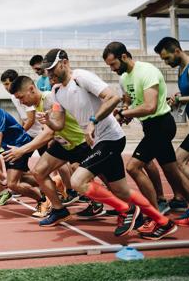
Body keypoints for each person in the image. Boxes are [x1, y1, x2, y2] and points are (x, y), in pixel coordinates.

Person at [42, 48, 176, 240]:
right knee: (121, 190)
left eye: (52, 68)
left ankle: (126, 210)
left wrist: (93, 121)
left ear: (64, 62)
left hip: (110, 137)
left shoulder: (81, 77)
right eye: (47, 70)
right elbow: (59, 123)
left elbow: (113, 97)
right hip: (97, 141)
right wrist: (48, 122)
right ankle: (163, 222)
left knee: (77, 181)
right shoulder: (56, 91)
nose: (50, 73)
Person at [104, 41, 189, 230]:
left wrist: (123, 114)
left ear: (124, 57)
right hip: (150, 126)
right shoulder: (125, 78)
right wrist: (124, 113)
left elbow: (150, 106)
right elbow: (130, 103)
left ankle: (155, 215)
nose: (112, 69)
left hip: (161, 124)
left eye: (113, 64)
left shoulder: (146, 71)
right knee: (172, 170)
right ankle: (174, 203)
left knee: (133, 167)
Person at [8, 76, 103, 225]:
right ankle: (59, 211)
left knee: (103, 178)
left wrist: (22, 150)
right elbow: (50, 130)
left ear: (31, 89)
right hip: (63, 143)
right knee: (39, 171)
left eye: (21, 97)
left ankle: (125, 205)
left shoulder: (50, 99)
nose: (21, 102)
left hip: (80, 142)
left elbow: (48, 133)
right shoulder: (39, 104)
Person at [154, 36, 189, 224]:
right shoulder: (181, 70)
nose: (166, 63)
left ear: (177, 51)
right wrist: (179, 96)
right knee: (180, 160)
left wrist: (179, 100)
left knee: (180, 160)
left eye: (167, 58)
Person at [0, 69, 43, 146]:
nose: (6, 87)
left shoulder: (26, 94)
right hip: (29, 133)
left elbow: (31, 119)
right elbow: (24, 117)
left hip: (40, 134)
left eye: (7, 84)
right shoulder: (13, 97)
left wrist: (20, 133)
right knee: (15, 156)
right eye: (4, 85)